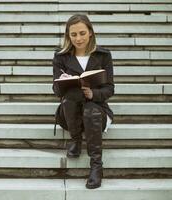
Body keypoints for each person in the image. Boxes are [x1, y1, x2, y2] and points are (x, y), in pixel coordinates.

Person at [52, 14, 114, 189]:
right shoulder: (60, 57)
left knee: (91, 110)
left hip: (96, 110)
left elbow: (110, 89)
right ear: (68, 36)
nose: (78, 39)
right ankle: (76, 139)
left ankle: (96, 166)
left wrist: (92, 93)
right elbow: (56, 91)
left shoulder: (103, 55)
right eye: (73, 35)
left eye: (82, 33)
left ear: (90, 33)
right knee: (71, 95)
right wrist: (62, 83)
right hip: (70, 110)